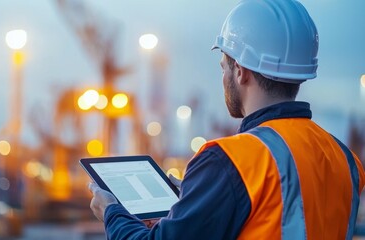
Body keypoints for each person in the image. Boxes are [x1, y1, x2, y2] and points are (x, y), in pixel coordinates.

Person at [88, 0, 365, 239]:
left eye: (224, 67)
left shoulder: (227, 161)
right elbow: (285, 208)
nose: (223, 77)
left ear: (241, 71)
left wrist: (112, 212)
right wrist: (200, 195)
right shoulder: (346, 160)